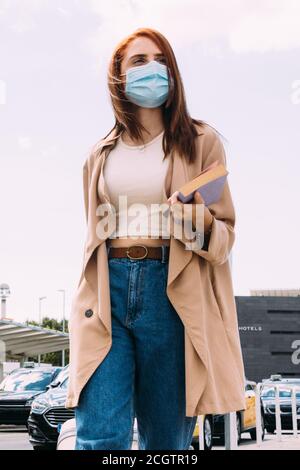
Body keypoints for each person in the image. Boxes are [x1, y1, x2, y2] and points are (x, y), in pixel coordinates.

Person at [66, 27, 246, 451]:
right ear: (119, 77)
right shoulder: (99, 156)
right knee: (98, 436)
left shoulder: (201, 142)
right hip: (106, 292)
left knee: (166, 441)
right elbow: (92, 240)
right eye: (139, 61)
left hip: (172, 293)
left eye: (160, 59)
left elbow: (223, 239)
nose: (153, 69)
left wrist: (187, 217)